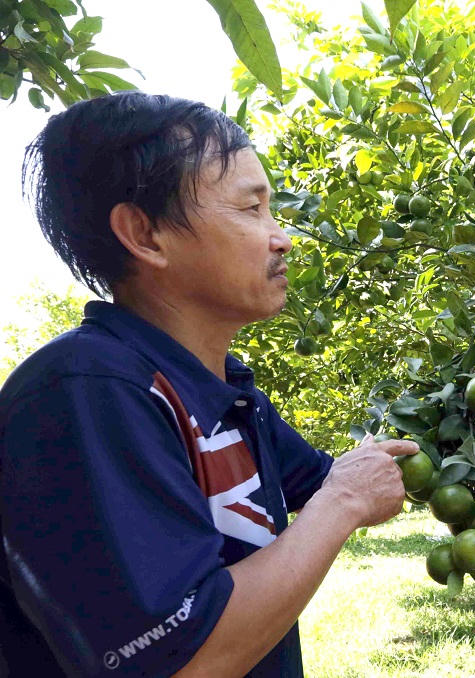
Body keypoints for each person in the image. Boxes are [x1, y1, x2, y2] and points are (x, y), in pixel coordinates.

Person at [0, 92, 418, 677]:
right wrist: (343, 503)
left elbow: (347, 476)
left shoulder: (223, 390)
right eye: (251, 209)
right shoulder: (88, 393)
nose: (282, 238)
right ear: (145, 235)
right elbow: (182, 663)